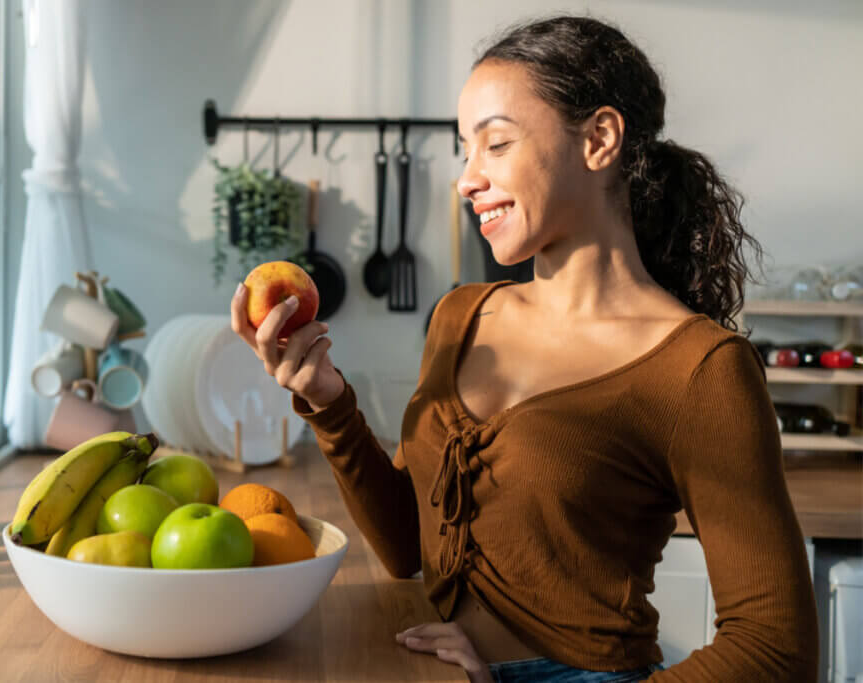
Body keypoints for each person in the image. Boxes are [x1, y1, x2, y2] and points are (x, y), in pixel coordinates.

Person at [229, 14, 818, 683]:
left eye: (496, 144)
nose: (466, 180)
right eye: (465, 150)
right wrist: (327, 401)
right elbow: (406, 547)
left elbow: (777, 649)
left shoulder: (700, 368)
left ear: (599, 139)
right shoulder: (460, 316)